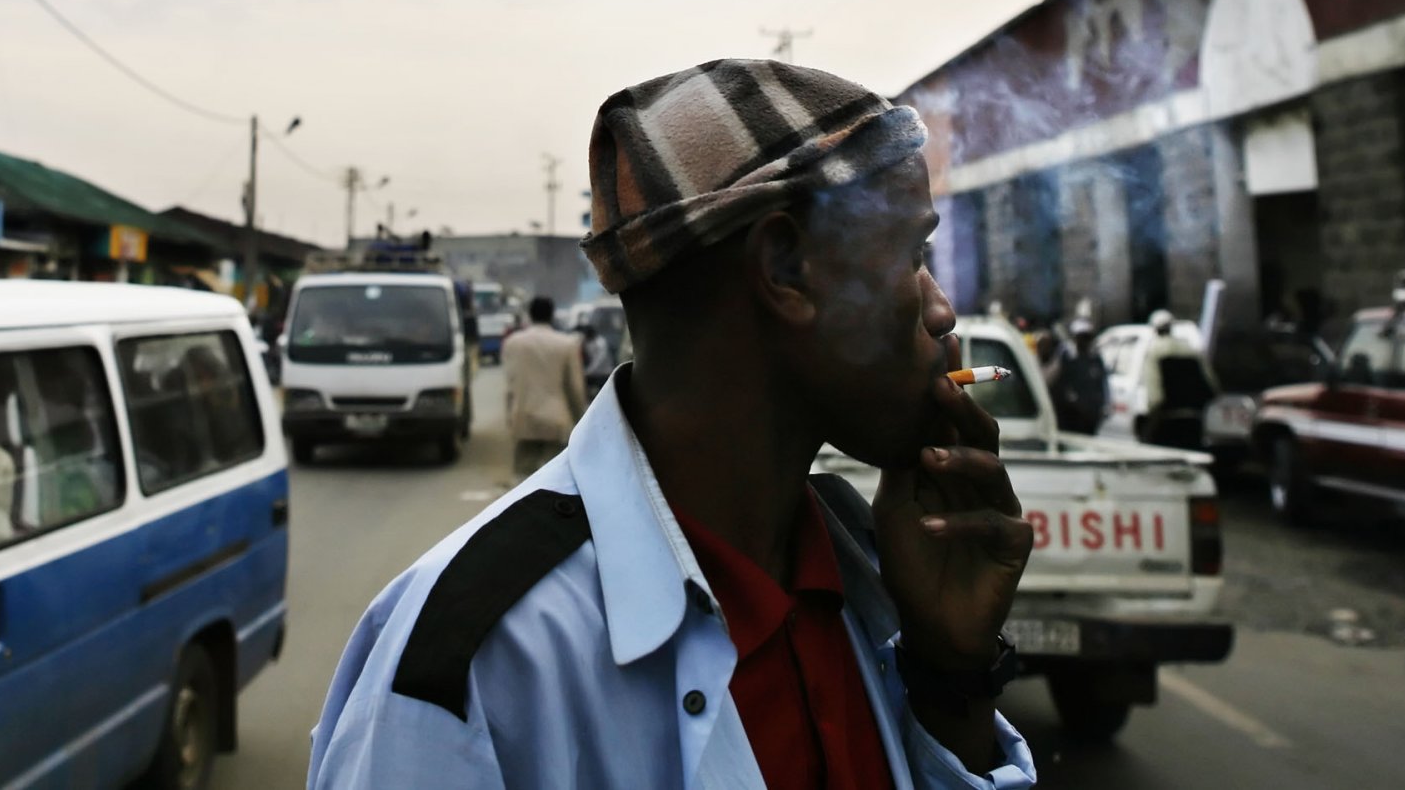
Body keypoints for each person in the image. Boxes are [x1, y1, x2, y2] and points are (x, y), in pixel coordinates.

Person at [311, 60, 1036, 790]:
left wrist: (951, 678)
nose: (941, 309)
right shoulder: (477, 666)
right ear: (786, 266)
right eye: (914, 256)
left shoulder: (865, 576)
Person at [501, 294, 587, 481]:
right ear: (552, 315)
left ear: (530, 314)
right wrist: (581, 421)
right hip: (555, 421)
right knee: (555, 480)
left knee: (523, 480)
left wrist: (510, 416)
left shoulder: (513, 343)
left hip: (523, 417)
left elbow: (510, 385)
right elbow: (575, 388)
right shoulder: (567, 344)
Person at [1048, 320, 1108, 436]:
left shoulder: (1095, 359)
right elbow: (1059, 384)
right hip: (1071, 414)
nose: (1084, 341)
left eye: (1087, 337)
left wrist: (1102, 406)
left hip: (1091, 414)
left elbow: (1102, 382)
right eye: (1081, 337)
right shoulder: (1066, 357)